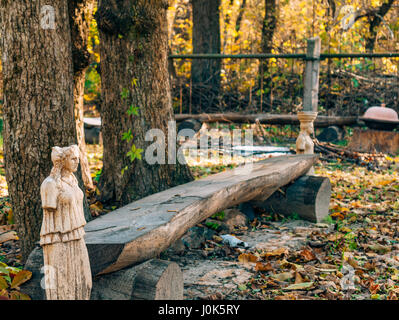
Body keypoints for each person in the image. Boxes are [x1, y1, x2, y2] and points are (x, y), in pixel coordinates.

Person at [40, 145, 92, 300]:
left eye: (78, 158)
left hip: (77, 235)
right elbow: (49, 212)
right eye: (73, 158)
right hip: (58, 238)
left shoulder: (73, 181)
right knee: (62, 283)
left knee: (85, 281)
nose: (77, 161)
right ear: (63, 161)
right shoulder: (51, 183)